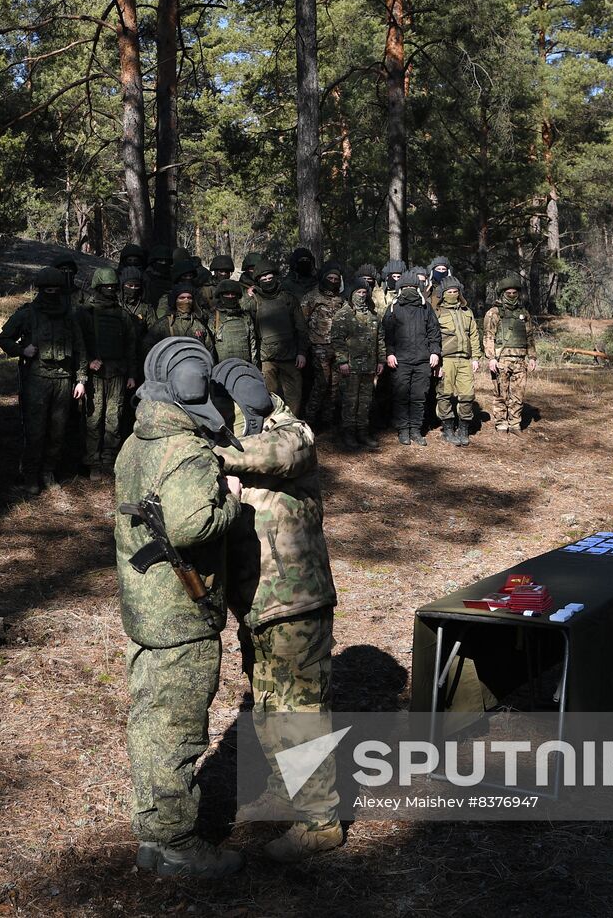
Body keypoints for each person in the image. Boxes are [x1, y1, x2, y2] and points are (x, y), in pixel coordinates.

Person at [114, 337, 243, 878]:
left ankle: (153, 834)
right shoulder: (188, 451)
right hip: (182, 613)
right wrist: (232, 502)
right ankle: (179, 846)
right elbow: (191, 525)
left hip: (145, 607)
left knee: (148, 723)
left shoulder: (138, 440)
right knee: (178, 731)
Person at [211, 358, 344, 862]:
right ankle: (294, 795)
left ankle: (320, 822)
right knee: (269, 708)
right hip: (257, 604)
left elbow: (282, 454)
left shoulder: (290, 432)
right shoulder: (229, 437)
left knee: (299, 713)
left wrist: (215, 453)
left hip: (295, 603)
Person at [0, 266, 88, 493]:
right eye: (47, 289)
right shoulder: (27, 313)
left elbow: (80, 348)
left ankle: (48, 472)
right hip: (36, 379)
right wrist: (21, 350)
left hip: (64, 379)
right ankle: (30, 476)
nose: (51, 293)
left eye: (55, 289)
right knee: (35, 430)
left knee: (58, 431)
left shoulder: (68, 315)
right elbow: (4, 338)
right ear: (40, 289)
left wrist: (81, 379)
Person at [78, 267, 142, 480]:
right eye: (106, 287)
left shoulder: (123, 315)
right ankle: (92, 462)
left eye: (113, 287)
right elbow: (78, 343)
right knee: (93, 419)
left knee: (114, 419)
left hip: (118, 373)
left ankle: (108, 460)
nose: (110, 290)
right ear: (97, 287)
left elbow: (131, 347)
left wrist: (132, 374)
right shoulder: (85, 313)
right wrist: (88, 362)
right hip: (95, 375)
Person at [382, 269, 442, 446]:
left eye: (412, 286)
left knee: (419, 396)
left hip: (422, 360)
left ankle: (416, 429)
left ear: (418, 288)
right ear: (400, 288)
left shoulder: (426, 308)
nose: (409, 290)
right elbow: (387, 333)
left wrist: (434, 352)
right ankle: (403, 430)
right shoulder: (393, 307)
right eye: (405, 286)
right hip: (400, 360)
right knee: (401, 396)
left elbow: (434, 331)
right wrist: (390, 353)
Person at [246, 262, 308, 414]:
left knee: (294, 395)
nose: (267, 280)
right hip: (267, 358)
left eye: (270, 277)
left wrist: (302, 352)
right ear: (258, 281)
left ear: (275, 277)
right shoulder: (253, 301)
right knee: (269, 396)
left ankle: (292, 425)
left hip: (291, 356)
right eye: (263, 278)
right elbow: (249, 329)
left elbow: (301, 328)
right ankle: (274, 425)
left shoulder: (288, 299)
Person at [331, 279, 385, 450]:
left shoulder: (373, 315)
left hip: (369, 366)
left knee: (365, 401)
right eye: (358, 293)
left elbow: (380, 339)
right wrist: (342, 361)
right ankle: (348, 433)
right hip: (351, 367)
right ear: (351, 294)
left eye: (364, 293)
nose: (361, 296)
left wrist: (381, 360)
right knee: (350, 401)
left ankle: (363, 432)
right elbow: (337, 340)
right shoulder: (343, 315)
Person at [483, 273, 538, 434]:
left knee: (518, 394)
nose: (512, 296)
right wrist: (491, 358)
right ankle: (501, 423)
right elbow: (488, 336)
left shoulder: (524, 313)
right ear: (502, 294)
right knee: (501, 393)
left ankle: (515, 423)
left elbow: (529, 336)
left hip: (520, 360)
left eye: (515, 293)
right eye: (509, 293)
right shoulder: (494, 313)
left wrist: (532, 357)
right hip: (501, 360)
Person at [432, 272, 480, 446]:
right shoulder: (436, 312)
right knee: (444, 395)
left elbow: (474, 335)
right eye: (449, 291)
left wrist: (475, 357)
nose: (453, 294)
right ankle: (448, 429)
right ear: (443, 293)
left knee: (468, 395)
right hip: (446, 360)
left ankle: (464, 428)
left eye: (455, 291)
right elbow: (432, 337)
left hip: (465, 360)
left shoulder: (467, 312)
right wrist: (436, 359)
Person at [301, 262, 346, 429]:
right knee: (321, 383)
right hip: (318, 345)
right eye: (330, 278)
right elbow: (301, 322)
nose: (333, 281)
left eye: (336, 279)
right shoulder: (311, 297)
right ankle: (310, 419)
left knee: (335, 386)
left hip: (337, 346)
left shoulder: (340, 299)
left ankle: (329, 419)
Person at [208, 279, 258, 366]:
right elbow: (210, 347)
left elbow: (253, 344)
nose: (230, 296)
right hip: (222, 368)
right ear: (220, 296)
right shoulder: (214, 317)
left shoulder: (245, 316)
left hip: (245, 366)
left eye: (233, 294)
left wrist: (255, 367)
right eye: (227, 294)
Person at [154, 283, 214, 350]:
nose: (186, 301)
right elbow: (150, 347)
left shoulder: (199, 324)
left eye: (189, 298)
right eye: (182, 298)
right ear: (175, 300)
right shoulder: (163, 324)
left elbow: (209, 349)